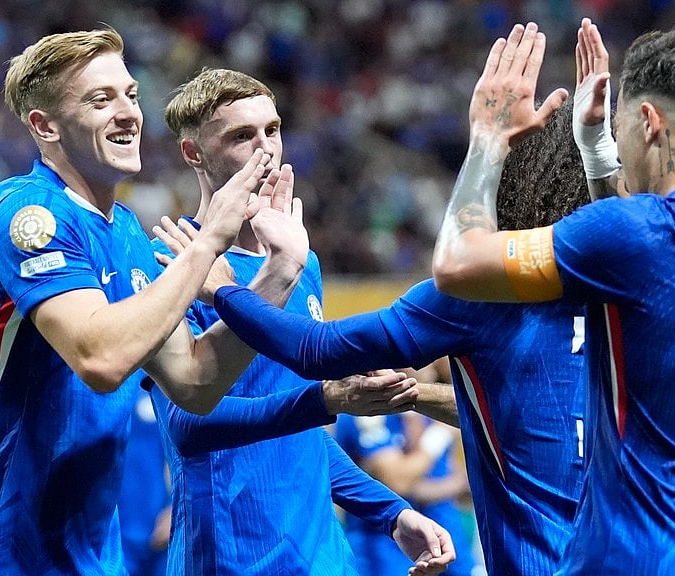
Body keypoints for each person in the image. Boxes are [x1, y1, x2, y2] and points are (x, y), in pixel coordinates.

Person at [0, 29, 307, 575]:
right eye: (100, 100)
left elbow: (195, 381)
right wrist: (209, 243)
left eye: (130, 94)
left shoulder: (127, 233)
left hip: (93, 560)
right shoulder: (24, 214)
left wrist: (278, 276)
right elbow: (101, 359)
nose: (128, 113)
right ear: (45, 126)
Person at [430, 19, 675, 574]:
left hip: (644, 557)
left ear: (650, 122)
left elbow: (456, 264)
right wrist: (598, 158)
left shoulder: (645, 235)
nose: (618, 138)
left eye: (621, 122)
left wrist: (486, 136)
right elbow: (638, 270)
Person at [210, 96, 593, 573]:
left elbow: (316, 350)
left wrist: (227, 291)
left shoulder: (480, 296)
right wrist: (415, 396)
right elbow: (522, 415)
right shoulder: (619, 293)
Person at [150, 67, 456, 576]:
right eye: (241, 136)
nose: (266, 148)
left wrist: (393, 512)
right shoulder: (173, 262)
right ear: (192, 153)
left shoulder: (299, 258)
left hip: (322, 556)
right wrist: (325, 399)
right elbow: (186, 428)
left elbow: (302, 437)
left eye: (272, 129)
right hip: (231, 556)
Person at [334, 409, 477, 576]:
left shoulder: (427, 414)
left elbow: (446, 477)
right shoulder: (367, 411)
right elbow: (398, 482)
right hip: (384, 552)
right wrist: (438, 438)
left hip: (448, 546)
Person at [117, 395, 171, 576]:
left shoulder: (161, 377)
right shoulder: (92, 376)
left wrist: (177, 507)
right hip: (110, 532)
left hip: (157, 528)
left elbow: (185, 446)